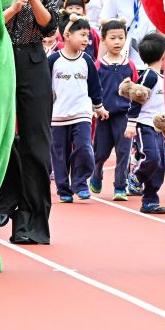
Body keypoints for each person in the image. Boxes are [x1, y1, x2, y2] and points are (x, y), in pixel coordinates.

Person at [0, 0, 61, 244]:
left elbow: (50, 27)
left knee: (37, 145)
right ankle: (4, 197)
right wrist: (13, 8)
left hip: (34, 61)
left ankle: (31, 222)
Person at [49, 16, 108, 203]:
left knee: (84, 147)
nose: (86, 40)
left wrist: (98, 108)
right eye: (82, 35)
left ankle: (81, 183)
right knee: (60, 155)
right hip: (57, 116)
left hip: (82, 114)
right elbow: (43, 88)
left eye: (88, 36)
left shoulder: (87, 60)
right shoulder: (52, 61)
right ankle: (63, 189)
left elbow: (94, 87)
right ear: (67, 35)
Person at [89, 19, 137, 201]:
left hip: (123, 115)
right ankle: (97, 172)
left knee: (124, 152)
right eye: (113, 38)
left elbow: (135, 89)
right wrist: (95, 108)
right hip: (103, 115)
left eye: (121, 38)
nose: (117, 42)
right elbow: (92, 89)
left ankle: (120, 187)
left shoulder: (129, 65)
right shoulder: (98, 65)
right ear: (103, 40)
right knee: (100, 152)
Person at [125, 33, 165, 215]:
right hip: (145, 124)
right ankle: (136, 176)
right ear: (162, 54)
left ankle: (151, 199)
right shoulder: (149, 76)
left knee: (159, 164)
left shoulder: (163, 76)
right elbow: (137, 98)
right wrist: (131, 123)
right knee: (151, 157)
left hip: (159, 127)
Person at [100, 0, 157, 67]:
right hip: (121, 59)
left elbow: (161, 29)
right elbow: (105, 28)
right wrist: (99, 65)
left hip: (151, 59)